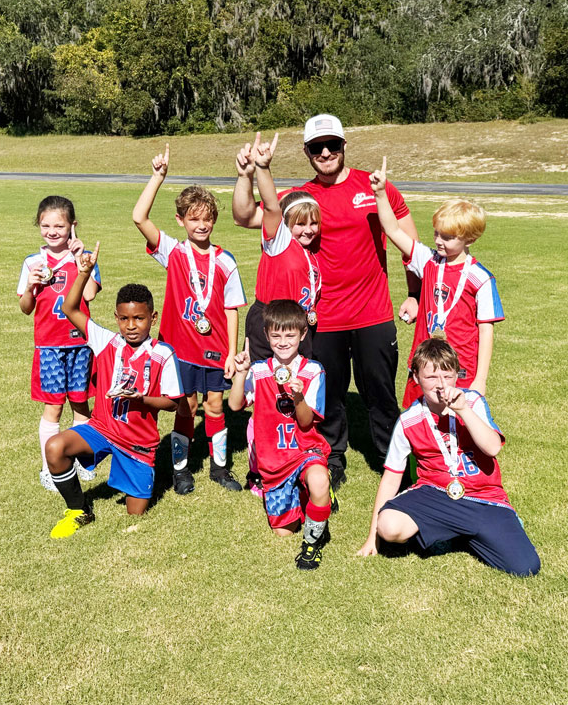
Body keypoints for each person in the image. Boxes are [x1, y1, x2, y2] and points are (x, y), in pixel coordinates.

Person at [232, 114, 420, 487]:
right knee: (328, 394)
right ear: (306, 152)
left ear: (344, 145)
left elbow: (407, 243)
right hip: (323, 319)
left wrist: (414, 294)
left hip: (372, 313)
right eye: (317, 147)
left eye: (332, 144)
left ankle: (393, 462)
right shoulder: (301, 199)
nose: (326, 152)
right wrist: (248, 173)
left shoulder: (376, 186)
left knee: (380, 393)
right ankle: (331, 458)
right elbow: (246, 215)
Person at [357, 339, 540, 577]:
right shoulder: (408, 421)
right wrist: (373, 537)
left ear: (457, 375)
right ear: (416, 378)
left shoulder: (472, 401)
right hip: (436, 494)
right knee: (389, 526)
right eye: (431, 378)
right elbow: (391, 479)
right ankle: (456, 530)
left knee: (525, 567)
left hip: (482, 497)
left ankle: (473, 533)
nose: (441, 385)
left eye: (448, 375)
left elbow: (493, 447)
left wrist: (463, 410)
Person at [43, 243, 184, 539]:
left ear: (152, 318)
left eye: (139, 318)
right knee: (55, 448)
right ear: (117, 317)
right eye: (124, 319)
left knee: (136, 514)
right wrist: (83, 274)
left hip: (138, 444)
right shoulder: (106, 341)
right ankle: (80, 510)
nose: (131, 326)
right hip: (102, 428)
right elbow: (69, 308)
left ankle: (139, 475)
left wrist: (141, 399)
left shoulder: (163, 354)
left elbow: (173, 404)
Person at [133, 144, 247, 495]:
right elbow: (139, 218)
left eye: (207, 218)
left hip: (214, 349)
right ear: (181, 220)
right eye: (193, 218)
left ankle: (220, 468)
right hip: (179, 349)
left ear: (214, 220)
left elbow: (231, 310)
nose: (201, 225)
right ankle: (181, 471)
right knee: (187, 406)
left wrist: (230, 352)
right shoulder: (174, 251)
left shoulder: (225, 260)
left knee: (215, 407)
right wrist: (157, 176)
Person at [369, 157, 503, 406]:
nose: (439, 241)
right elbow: (393, 230)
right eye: (436, 233)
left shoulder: (481, 278)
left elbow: (486, 331)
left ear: (469, 239)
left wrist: (481, 379)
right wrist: (380, 193)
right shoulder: (428, 260)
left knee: (456, 425)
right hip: (423, 364)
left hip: (460, 368)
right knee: (419, 421)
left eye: (448, 237)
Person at [228, 300, 334, 570]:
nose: (283, 341)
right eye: (276, 335)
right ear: (266, 335)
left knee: (319, 480)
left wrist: (298, 396)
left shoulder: (313, 371)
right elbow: (235, 405)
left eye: (290, 335)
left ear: (302, 334)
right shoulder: (260, 369)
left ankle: (312, 543)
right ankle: (305, 494)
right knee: (284, 531)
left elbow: (307, 421)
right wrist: (241, 374)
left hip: (305, 450)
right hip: (273, 461)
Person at [17, 195, 101, 491]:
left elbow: (89, 295)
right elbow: (26, 308)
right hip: (49, 347)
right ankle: (50, 468)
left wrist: (83, 265)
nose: (52, 231)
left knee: (81, 405)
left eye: (59, 225)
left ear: (72, 226)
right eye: (45, 225)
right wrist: (29, 286)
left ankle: (82, 461)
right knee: (53, 409)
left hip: (80, 345)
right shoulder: (33, 262)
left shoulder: (86, 256)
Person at [233, 131, 322, 362]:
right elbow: (272, 208)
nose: (309, 229)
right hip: (270, 320)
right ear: (286, 223)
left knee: (297, 382)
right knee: (264, 383)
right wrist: (262, 168)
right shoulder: (279, 242)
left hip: (297, 323)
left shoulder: (310, 253)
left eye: (314, 223)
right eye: (300, 224)